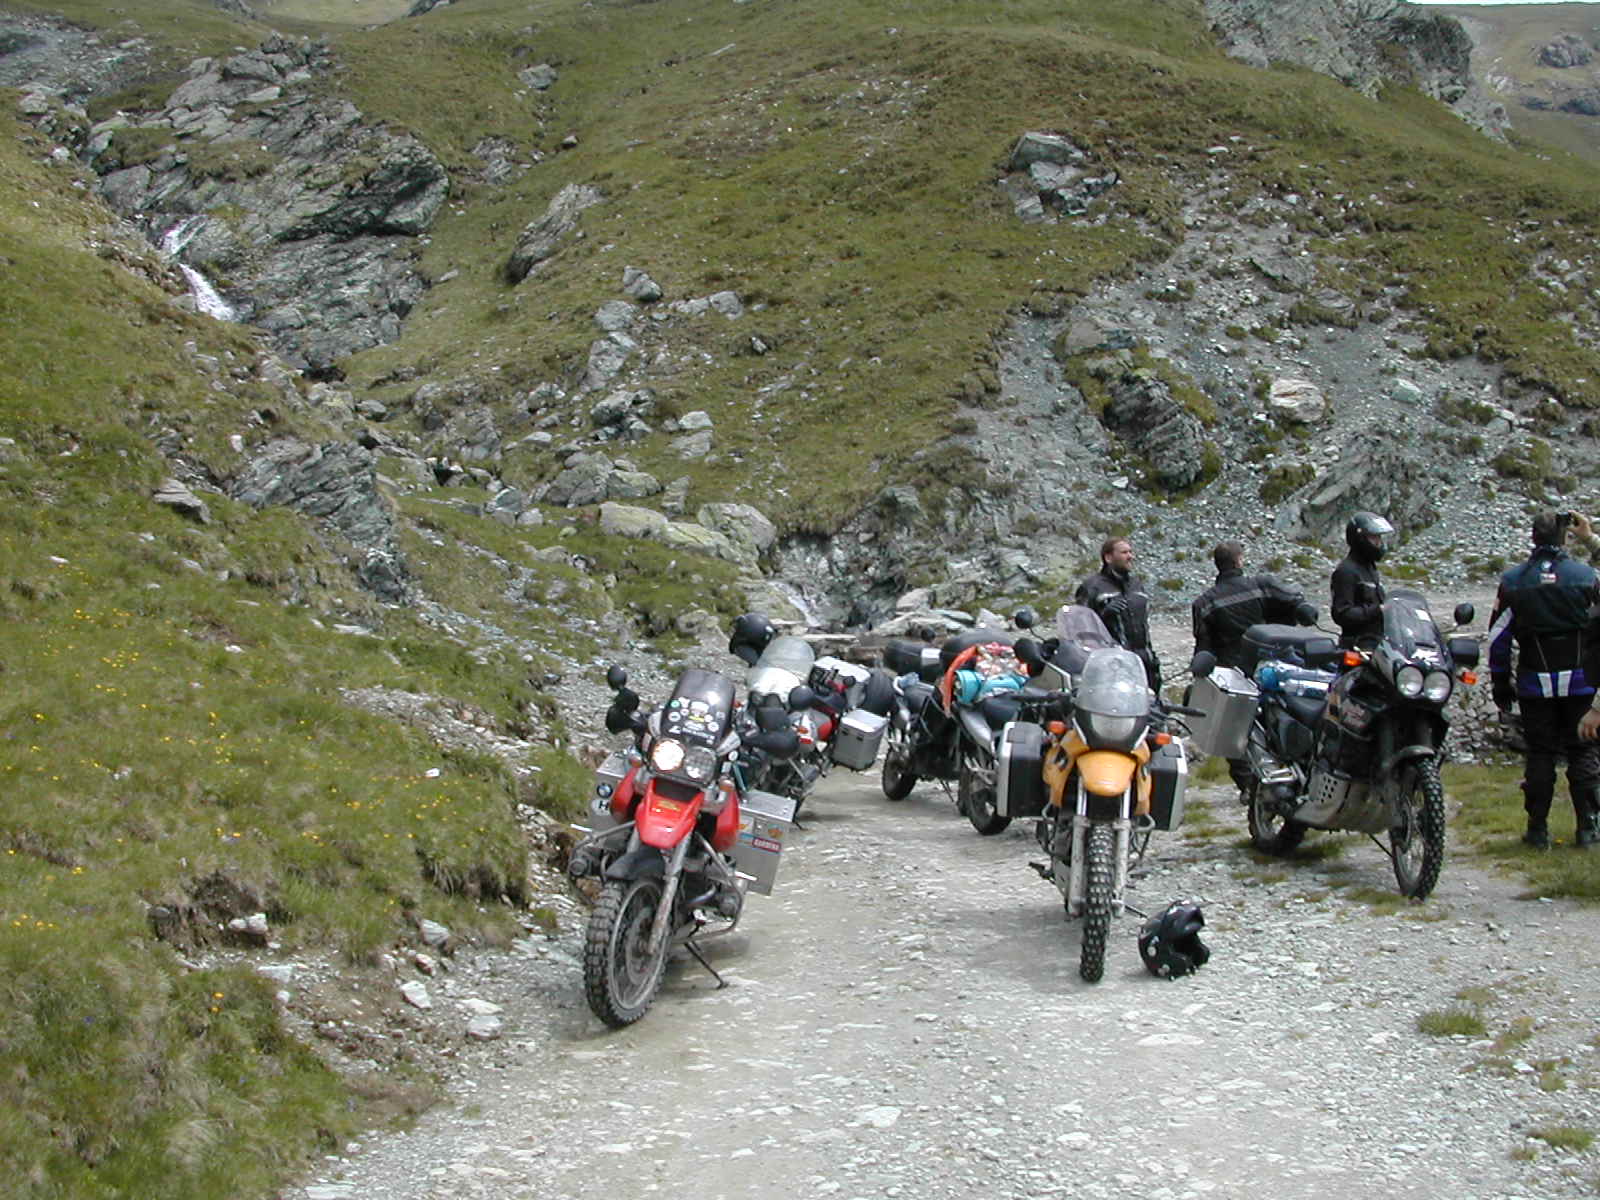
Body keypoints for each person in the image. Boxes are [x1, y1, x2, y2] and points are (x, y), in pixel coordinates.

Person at [1489, 510, 1600, 849]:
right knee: (1583, 751)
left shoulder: (1513, 581)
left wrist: (1500, 683)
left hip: (1535, 682)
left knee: (1540, 754)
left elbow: (1498, 638)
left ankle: (1537, 831)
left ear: (1533, 537)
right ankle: (1588, 829)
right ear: (1564, 537)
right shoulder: (1586, 577)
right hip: (1581, 682)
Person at [1191, 541, 1314, 670]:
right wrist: (1305, 608)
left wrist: (1198, 672)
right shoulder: (1262, 585)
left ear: (1217, 564)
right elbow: (1294, 600)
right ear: (1239, 561)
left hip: (1231, 669)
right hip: (1269, 660)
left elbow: (1203, 647)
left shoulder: (1204, 604)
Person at [1075, 536, 1160, 689]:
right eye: (1124, 552)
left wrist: (1151, 658)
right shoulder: (1091, 587)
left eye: (1130, 552)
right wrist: (1103, 615)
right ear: (1108, 558)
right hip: (1113, 663)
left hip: (1144, 659)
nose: (1130, 556)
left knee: (1152, 700)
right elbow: (1081, 629)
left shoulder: (1136, 584)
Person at [1330, 511, 1394, 649]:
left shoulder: (1369, 567)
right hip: (1358, 645)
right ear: (1360, 538)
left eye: (1379, 537)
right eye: (1373, 537)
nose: (1378, 543)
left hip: (1378, 641)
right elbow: (1342, 614)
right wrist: (1377, 610)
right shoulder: (1346, 571)